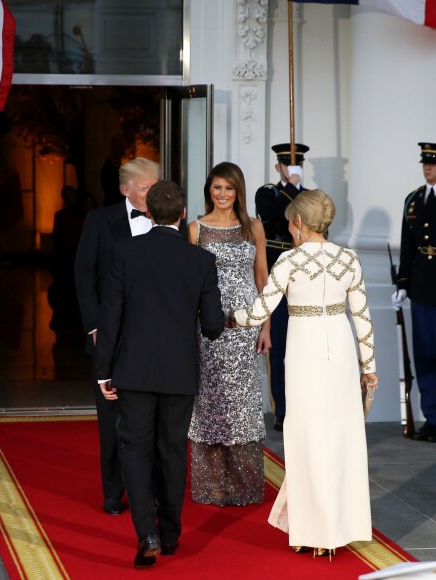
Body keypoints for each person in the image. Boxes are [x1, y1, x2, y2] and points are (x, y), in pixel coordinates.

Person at [234, 189, 377, 555]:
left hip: (304, 351)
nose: (288, 228)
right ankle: (336, 530)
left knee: (307, 438)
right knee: (340, 437)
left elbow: (257, 311)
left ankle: (315, 532)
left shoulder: (289, 261)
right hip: (341, 349)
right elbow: (361, 317)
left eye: (289, 222)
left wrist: (225, 320)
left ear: (298, 222)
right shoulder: (350, 259)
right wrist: (369, 368)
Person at [96, 180, 224, 568]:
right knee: (171, 452)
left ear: (148, 213)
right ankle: (169, 536)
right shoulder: (201, 260)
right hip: (179, 373)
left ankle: (146, 532)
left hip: (133, 371)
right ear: (182, 214)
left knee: (135, 449)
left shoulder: (124, 253)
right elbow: (213, 326)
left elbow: (111, 317)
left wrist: (104, 371)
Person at [74, 157, 162, 516]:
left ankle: (153, 490)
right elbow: (84, 274)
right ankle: (113, 491)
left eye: (155, 186)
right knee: (111, 419)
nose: (152, 193)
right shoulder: (99, 221)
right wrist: (95, 327)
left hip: (154, 336)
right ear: (126, 190)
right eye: (145, 188)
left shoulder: (168, 218)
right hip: (109, 335)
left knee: (153, 418)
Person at [187, 162, 269, 506]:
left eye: (229, 188)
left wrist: (267, 325)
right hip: (210, 330)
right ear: (209, 189)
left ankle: (244, 485)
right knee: (212, 403)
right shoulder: (195, 229)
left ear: (239, 191)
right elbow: (187, 283)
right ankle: (212, 484)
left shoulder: (254, 227)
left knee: (243, 405)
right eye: (217, 187)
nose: (222, 194)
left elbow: (263, 278)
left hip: (248, 329)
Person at [392, 142, 436, 444]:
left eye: (434, 162)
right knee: (425, 355)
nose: (428, 167)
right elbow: (408, 247)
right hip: (421, 287)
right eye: (425, 162)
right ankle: (431, 418)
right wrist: (403, 283)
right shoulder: (414, 200)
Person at [254, 142, 310, 432]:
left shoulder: (311, 197)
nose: (292, 169)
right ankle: (282, 408)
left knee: (304, 346)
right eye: (287, 165)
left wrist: (299, 190)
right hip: (277, 273)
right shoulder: (268, 192)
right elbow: (273, 214)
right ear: (278, 167)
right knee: (278, 345)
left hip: (304, 275)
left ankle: (303, 404)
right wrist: (292, 187)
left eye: (296, 165)